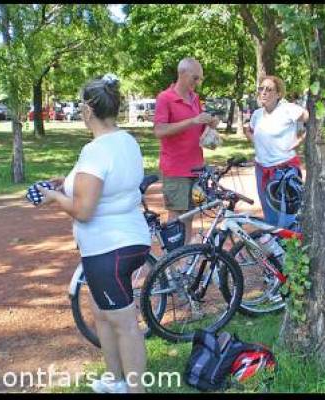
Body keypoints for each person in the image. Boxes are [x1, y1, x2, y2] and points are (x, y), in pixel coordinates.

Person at [37, 74, 151, 394]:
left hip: (107, 249)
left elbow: (84, 210)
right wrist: (67, 182)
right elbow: (108, 183)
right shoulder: (126, 140)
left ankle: (135, 389)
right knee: (102, 312)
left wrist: (55, 198)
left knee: (125, 324)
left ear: (88, 110)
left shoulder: (96, 151)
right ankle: (115, 380)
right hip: (131, 240)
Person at [153, 57, 219, 243]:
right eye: (195, 78)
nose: (198, 83)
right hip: (175, 168)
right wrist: (193, 120)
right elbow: (159, 130)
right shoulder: (165, 98)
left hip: (196, 167)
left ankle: (186, 260)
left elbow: (197, 128)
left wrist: (210, 124)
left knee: (190, 214)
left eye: (200, 79)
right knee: (176, 217)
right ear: (182, 74)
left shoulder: (195, 98)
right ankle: (172, 264)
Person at [244, 75, 309, 226]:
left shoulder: (288, 109)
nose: (264, 92)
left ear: (279, 94)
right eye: (261, 89)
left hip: (284, 170)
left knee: (287, 218)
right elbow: (249, 130)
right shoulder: (257, 114)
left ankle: (289, 248)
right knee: (270, 217)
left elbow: (309, 118)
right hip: (262, 170)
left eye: (269, 89)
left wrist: (300, 140)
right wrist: (258, 142)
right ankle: (276, 248)